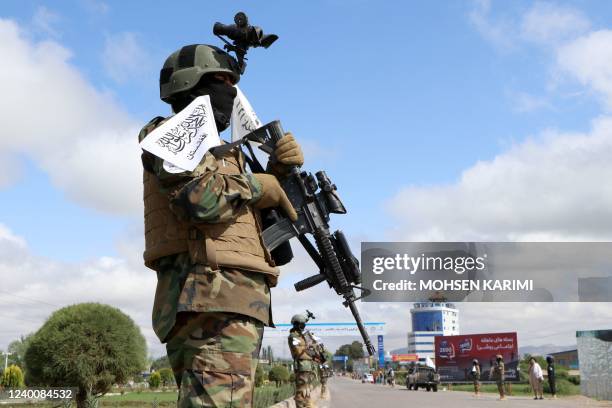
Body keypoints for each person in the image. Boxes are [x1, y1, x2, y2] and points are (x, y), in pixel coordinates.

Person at [140, 43, 304, 407]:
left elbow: (241, 217)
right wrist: (262, 185)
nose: (229, 92)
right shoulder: (169, 134)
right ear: (189, 85)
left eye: (233, 83)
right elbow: (199, 200)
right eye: (220, 81)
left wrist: (277, 171)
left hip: (228, 302)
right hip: (207, 299)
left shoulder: (226, 154)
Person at [288, 313, 322, 408]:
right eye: (302, 324)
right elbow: (299, 351)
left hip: (308, 366)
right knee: (301, 391)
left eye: (304, 324)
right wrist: (310, 347)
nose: (303, 326)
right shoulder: (293, 336)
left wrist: (313, 344)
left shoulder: (303, 336)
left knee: (307, 389)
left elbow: (315, 348)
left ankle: (308, 404)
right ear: (296, 324)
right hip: (301, 366)